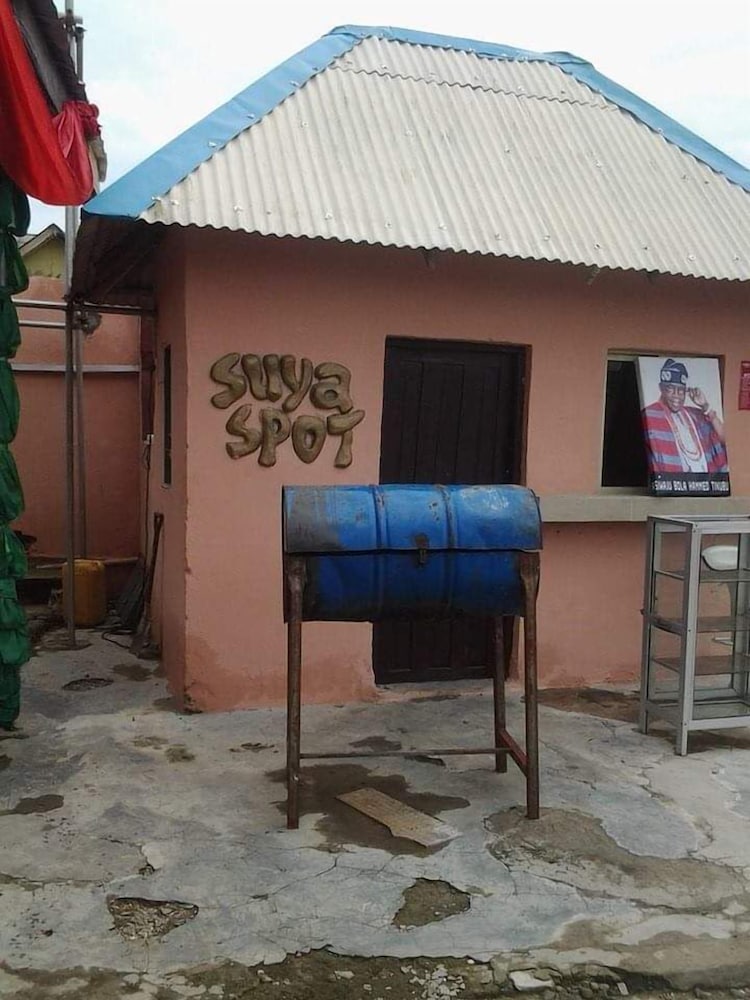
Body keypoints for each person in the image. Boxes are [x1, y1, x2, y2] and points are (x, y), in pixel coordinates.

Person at [641, 359, 728, 474]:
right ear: (661, 388)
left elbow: (725, 440)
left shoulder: (695, 415)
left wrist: (706, 407)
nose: (676, 396)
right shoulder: (650, 415)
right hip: (671, 483)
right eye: (670, 389)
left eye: (681, 391)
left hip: (706, 483)